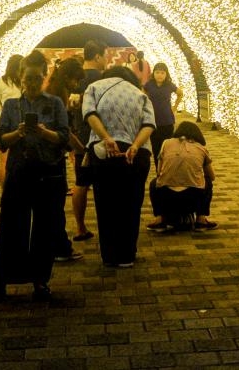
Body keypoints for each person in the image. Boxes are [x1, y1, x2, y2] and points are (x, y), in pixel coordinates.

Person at [0, 50, 70, 303]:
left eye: (37, 78)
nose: (32, 83)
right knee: (10, 227)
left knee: (45, 229)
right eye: (28, 78)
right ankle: (0, 282)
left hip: (48, 174)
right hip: (19, 171)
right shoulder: (11, 106)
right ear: (20, 77)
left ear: (44, 77)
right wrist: (18, 133)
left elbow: (63, 137)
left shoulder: (54, 103)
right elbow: (1, 141)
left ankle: (40, 280)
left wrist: (43, 132)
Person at [83, 65, 156, 268]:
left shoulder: (94, 87)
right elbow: (149, 124)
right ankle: (127, 255)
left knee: (105, 205)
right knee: (131, 204)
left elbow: (89, 114)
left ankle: (109, 255)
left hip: (104, 153)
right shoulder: (140, 94)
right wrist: (135, 145)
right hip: (135, 154)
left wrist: (107, 138)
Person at [43, 56, 87, 262]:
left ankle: (55, 245)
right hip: (52, 155)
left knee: (53, 203)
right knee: (55, 202)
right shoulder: (57, 96)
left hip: (51, 154)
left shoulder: (53, 91)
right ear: (68, 77)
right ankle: (59, 247)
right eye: (75, 81)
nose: (76, 85)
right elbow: (63, 129)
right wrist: (80, 147)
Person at [146, 121, 217, 231]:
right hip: (194, 195)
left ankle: (160, 219)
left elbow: (159, 172)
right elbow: (212, 176)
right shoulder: (201, 148)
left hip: (166, 195)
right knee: (207, 181)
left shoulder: (166, 143)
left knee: (154, 183)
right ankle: (201, 220)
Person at [71, 39, 107, 242]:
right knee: (105, 185)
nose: (106, 61)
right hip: (102, 137)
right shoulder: (102, 79)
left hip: (80, 138)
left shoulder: (75, 80)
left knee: (81, 183)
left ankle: (80, 227)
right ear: (97, 56)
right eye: (105, 56)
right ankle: (107, 227)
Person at [0, 54, 23, 184]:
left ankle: (5, 193)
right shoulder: (24, 83)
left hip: (1, 124)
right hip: (21, 124)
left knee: (3, 161)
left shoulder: (0, 83)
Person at [143, 62, 184, 169]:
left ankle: (168, 170)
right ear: (153, 73)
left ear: (166, 74)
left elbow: (180, 93)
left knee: (168, 148)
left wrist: (174, 107)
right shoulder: (149, 84)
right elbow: (143, 95)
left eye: (162, 73)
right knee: (156, 148)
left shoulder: (169, 85)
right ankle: (159, 171)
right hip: (153, 120)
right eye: (157, 72)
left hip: (167, 120)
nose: (159, 75)